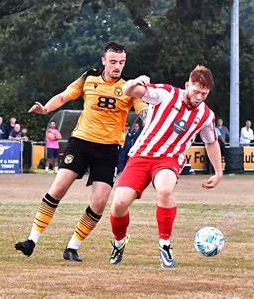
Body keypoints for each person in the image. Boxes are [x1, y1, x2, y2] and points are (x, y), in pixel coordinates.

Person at [15, 41, 148, 262]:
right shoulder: (88, 78)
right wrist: (46, 109)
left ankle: (72, 247)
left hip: (109, 150)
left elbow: (144, 112)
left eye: (121, 62)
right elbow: (65, 95)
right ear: (104, 60)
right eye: (113, 61)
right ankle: (31, 240)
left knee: (99, 202)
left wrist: (154, 122)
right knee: (58, 188)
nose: (117, 66)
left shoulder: (130, 87)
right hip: (81, 143)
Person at [108, 65, 222, 269]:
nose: (198, 97)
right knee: (119, 203)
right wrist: (137, 80)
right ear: (187, 85)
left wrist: (218, 172)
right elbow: (129, 91)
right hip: (141, 156)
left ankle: (165, 244)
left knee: (165, 190)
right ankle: (119, 242)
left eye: (204, 94)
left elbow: (211, 142)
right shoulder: (166, 94)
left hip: (169, 160)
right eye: (196, 91)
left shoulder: (206, 115)